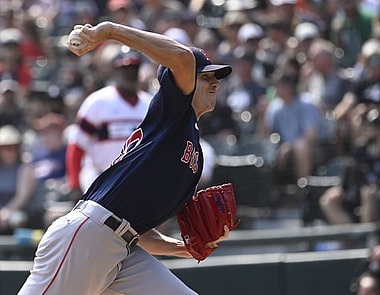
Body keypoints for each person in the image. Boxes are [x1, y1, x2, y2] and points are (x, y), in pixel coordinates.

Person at [19, 21, 232, 295]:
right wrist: (108, 31)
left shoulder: (194, 154)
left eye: (216, 78)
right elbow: (181, 58)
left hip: (123, 249)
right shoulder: (172, 113)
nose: (214, 83)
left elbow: (142, 232)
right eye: (205, 76)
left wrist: (187, 249)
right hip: (89, 236)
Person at [66, 47, 152, 196]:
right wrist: (74, 183)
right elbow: (77, 145)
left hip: (139, 181)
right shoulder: (98, 101)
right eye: (125, 69)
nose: (129, 74)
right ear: (115, 71)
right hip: (100, 178)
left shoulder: (150, 104)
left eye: (133, 69)